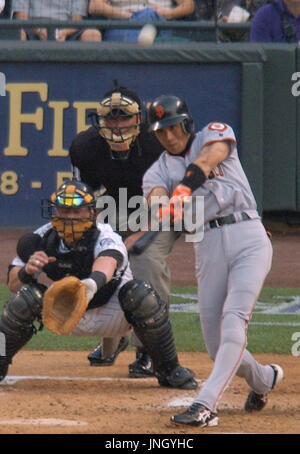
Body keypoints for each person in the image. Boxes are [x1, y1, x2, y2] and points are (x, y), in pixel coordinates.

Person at [142, 93, 284, 427]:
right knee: (214, 342)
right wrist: (165, 206)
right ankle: (263, 380)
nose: (170, 136)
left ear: (187, 123)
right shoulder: (157, 170)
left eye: (175, 127)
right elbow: (155, 195)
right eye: (162, 132)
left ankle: (205, 405)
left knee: (234, 319)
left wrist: (183, 190)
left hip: (248, 234)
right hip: (205, 243)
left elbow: (208, 161)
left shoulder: (213, 134)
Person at [0, 179, 197, 391]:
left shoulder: (105, 235)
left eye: (77, 212)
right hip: (64, 314)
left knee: (141, 294)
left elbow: (108, 261)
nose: (70, 218)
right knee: (26, 298)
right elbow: (13, 283)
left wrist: (91, 284)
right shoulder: (40, 238)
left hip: (113, 314)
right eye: (65, 211)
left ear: (91, 213)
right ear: (55, 210)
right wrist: (27, 270)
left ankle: (169, 368)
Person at [69, 82, 181, 378]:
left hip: (161, 209)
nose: (117, 125)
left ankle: (149, 349)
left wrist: (141, 232)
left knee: (144, 259)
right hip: (112, 210)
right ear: (100, 120)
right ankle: (111, 340)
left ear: (139, 119)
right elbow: (85, 197)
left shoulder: (159, 143)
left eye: (124, 117)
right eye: (111, 118)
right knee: (97, 257)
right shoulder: (85, 146)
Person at [88, 0, 195, 42]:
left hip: (160, 24)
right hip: (123, 25)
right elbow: (94, 6)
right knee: (148, 15)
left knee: (149, 14)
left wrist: (167, 13)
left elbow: (189, 5)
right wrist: (126, 15)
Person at [12, 0, 102, 41]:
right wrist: (38, 31)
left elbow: (77, 20)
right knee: (18, 33)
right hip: (33, 28)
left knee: (93, 35)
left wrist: (65, 32)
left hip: (67, 29)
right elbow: (21, 18)